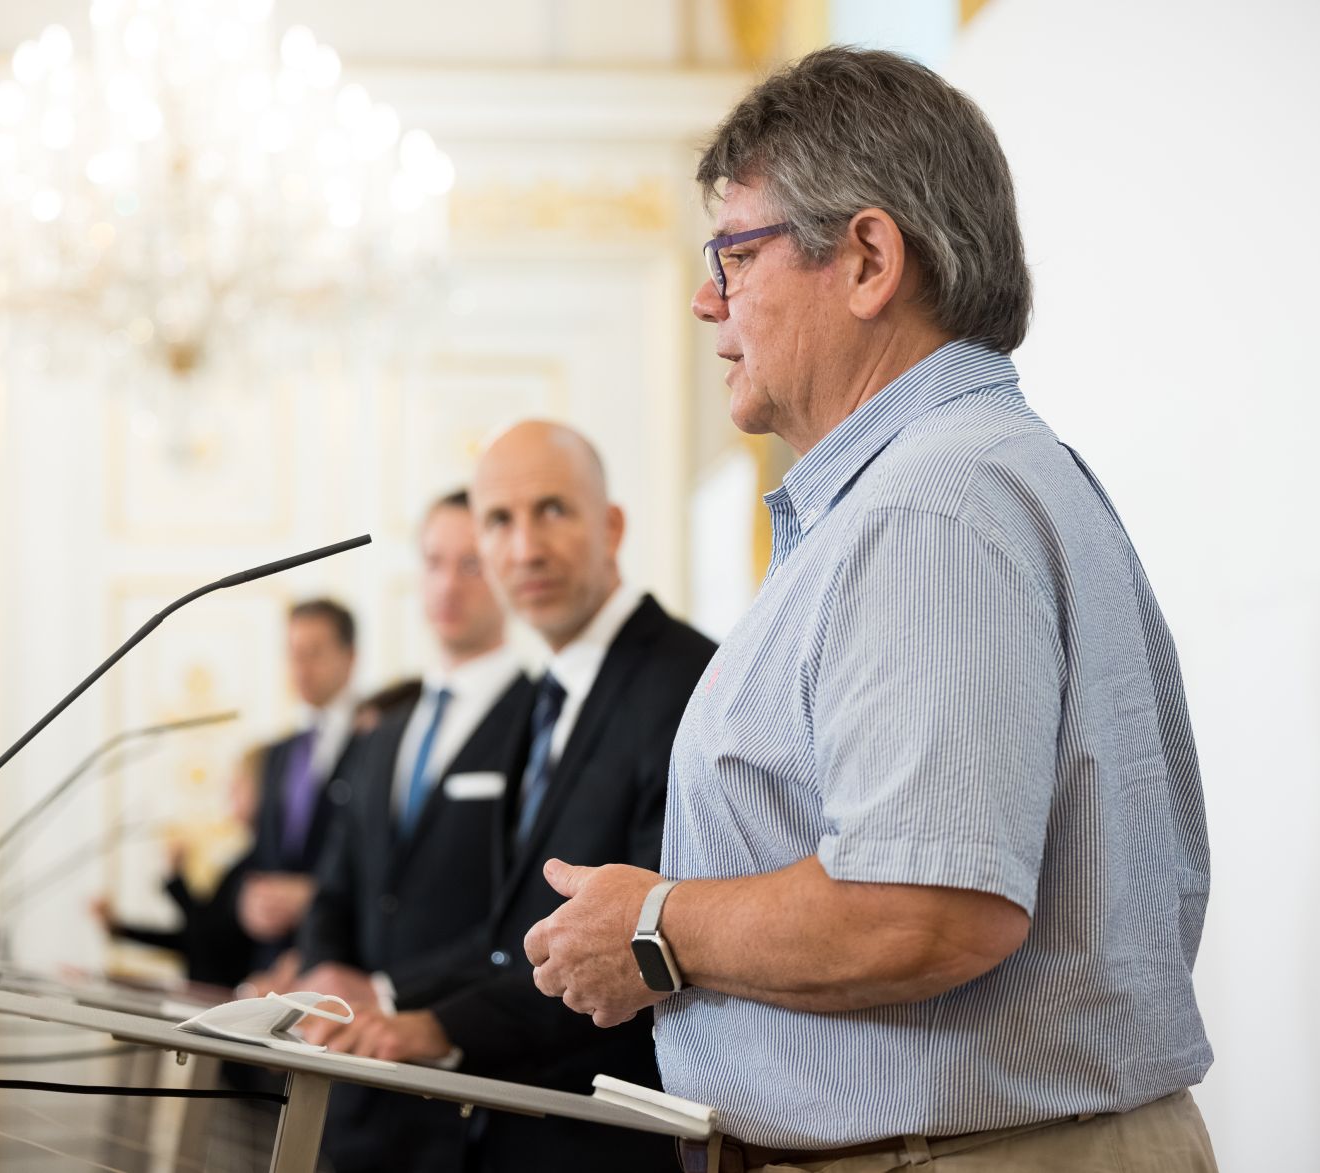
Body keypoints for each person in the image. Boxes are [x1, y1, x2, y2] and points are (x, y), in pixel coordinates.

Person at [522, 47, 1218, 1173]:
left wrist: (653, 929)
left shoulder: (928, 507)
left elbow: (923, 910)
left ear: (865, 259)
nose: (707, 299)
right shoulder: (939, 487)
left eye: (732, 255)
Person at [302, 422, 716, 1173]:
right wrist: (387, 996)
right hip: (510, 1126)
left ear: (611, 526)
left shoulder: (687, 682)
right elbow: (514, 928)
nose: (524, 548)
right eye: (499, 519)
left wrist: (441, 1025)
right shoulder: (546, 698)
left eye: (552, 510)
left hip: (612, 1139)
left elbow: (646, 942)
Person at [292, 488, 533, 1173]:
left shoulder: (537, 721)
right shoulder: (384, 731)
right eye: (433, 562)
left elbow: (514, 908)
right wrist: (322, 969)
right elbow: (336, 880)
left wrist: (392, 989)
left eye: (470, 563)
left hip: (462, 1078)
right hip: (353, 1083)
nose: (447, 584)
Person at [238, 597, 361, 976]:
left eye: (314, 653)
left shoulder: (377, 744)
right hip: (270, 961)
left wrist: (314, 896)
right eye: (293, 654)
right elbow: (260, 853)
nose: (301, 668)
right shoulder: (278, 753)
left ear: (349, 656)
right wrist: (246, 900)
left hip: (341, 959)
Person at [90, 748, 260, 990]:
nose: (229, 791)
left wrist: (176, 876)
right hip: (206, 1003)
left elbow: (209, 938)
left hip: (227, 1005)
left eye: (239, 784)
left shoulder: (259, 868)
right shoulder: (243, 861)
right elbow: (192, 938)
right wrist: (120, 928)